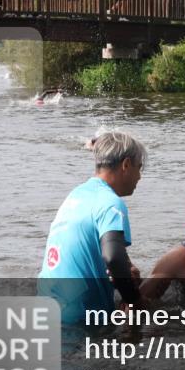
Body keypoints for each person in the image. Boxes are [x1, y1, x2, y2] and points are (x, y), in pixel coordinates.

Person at [37, 131, 146, 323]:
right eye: (139, 168)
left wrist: (127, 268)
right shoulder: (112, 203)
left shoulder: (76, 195)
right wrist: (134, 301)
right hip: (79, 313)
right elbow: (113, 257)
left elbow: (93, 244)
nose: (139, 177)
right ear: (126, 165)